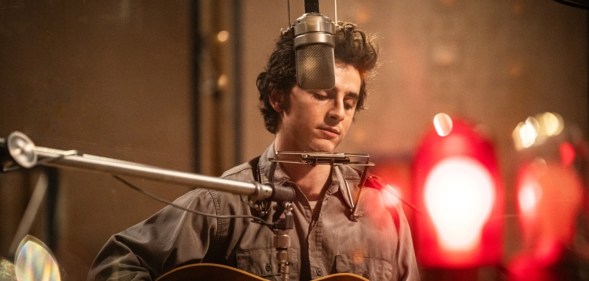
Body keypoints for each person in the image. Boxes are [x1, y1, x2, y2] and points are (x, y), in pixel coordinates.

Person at [88, 21, 420, 281]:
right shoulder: (223, 204)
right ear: (278, 98)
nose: (338, 112)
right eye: (322, 95)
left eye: (349, 102)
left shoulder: (383, 211)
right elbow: (115, 264)